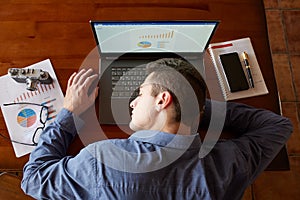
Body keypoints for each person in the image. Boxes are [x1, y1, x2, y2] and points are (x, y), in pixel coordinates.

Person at [21, 58, 293, 200]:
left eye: (141, 93)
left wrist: (68, 112)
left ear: (163, 100)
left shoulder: (102, 161)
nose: (134, 101)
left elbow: (33, 179)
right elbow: (278, 125)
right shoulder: (231, 164)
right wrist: (192, 105)